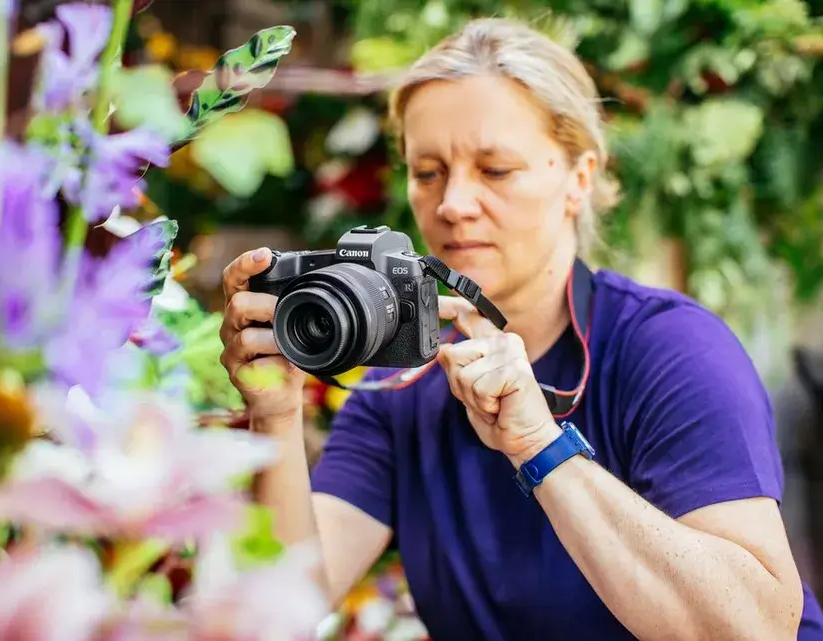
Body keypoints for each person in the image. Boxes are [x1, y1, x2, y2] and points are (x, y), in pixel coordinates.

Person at [219, 17, 823, 641]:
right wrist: (275, 416)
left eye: (496, 169)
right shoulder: (402, 377)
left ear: (578, 179)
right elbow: (276, 614)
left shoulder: (670, 349)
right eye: (427, 172)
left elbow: (756, 628)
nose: (452, 203)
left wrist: (541, 444)